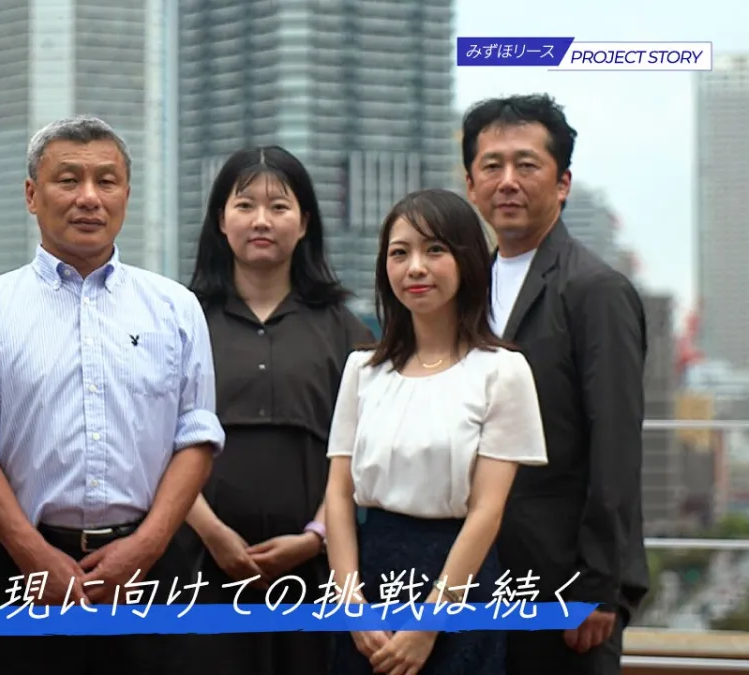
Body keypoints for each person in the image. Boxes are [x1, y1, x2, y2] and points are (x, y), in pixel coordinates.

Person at [0, 114, 226, 675]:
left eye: (106, 181)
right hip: (20, 572)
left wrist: (146, 547)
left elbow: (196, 437)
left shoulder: (175, 308)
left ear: (126, 195)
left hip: (151, 572)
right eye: (68, 180)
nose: (89, 197)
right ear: (31, 194)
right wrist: (32, 553)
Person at [323, 188, 549, 675]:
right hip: (367, 582)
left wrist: (429, 624)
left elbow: (487, 511)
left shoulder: (502, 371)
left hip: (456, 586)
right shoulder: (362, 370)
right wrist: (350, 602)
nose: (415, 268)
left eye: (435, 250)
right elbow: (338, 496)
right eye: (399, 253)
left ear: (467, 260)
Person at [462, 93, 649, 675]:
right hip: (473, 575)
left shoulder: (595, 290)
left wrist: (598, 587)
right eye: (491, 166)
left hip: (561, 582)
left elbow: (616, 443)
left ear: (562, 183)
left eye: (527, 164)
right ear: (471, 185)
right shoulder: (464, 290)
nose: (507, 181)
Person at [181, 145, 373, 675]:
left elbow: (363, 453)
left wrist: (314, 537)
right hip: (199, 568)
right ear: (221, 220)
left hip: (315, 574)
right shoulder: (181, 322)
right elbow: (154, 444)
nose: (261, 220)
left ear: (304, 222)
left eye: (279, 206)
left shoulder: (347, 331)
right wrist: (214, 534)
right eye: (245, 205)